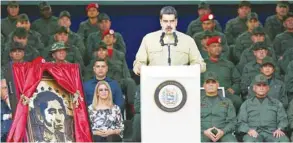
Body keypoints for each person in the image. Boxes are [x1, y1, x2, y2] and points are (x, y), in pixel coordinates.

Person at [133, 6, 206, 75]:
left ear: (176, 21)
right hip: (155, 82)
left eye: (172, 21)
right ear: (160, 22)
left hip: (180, 83)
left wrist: (196, 67)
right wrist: (139, 68)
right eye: (165, 21)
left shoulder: (188, 40)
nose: (168, 24)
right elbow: (139, 62)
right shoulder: (148, 39)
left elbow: (200, 64)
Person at [237, 74, 289, 142]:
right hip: (254, 133)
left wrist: (280, 129)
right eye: (259, 85)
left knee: (284, 140)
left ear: (268, 88)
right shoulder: (246, 104)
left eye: (264, 85)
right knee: (249, 141)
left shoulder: (276, 103)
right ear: (254, 88)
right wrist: (248, 130)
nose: (261, 88)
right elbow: (240, 122)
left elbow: (283, 119)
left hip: (272, 133)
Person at [202, 36, 242, 111]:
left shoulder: (229, 64)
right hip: (207, 93)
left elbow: (237, 81)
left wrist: (233, 89)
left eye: (219, 46)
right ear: (208, 49)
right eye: (214, 46)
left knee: (237, 101)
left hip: (226, 94)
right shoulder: (202, 64)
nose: (217, 48)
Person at [201, 72, 237, 142]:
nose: (211, 84)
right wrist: (204, 131)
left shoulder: (227, 102)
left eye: (213, 82)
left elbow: (233, 121)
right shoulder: (197, 102)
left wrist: (223, 131)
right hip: (203, 133)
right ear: (204, 86)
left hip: (223, 133)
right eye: (208, 82)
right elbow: (192, 122)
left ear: (218, 85)